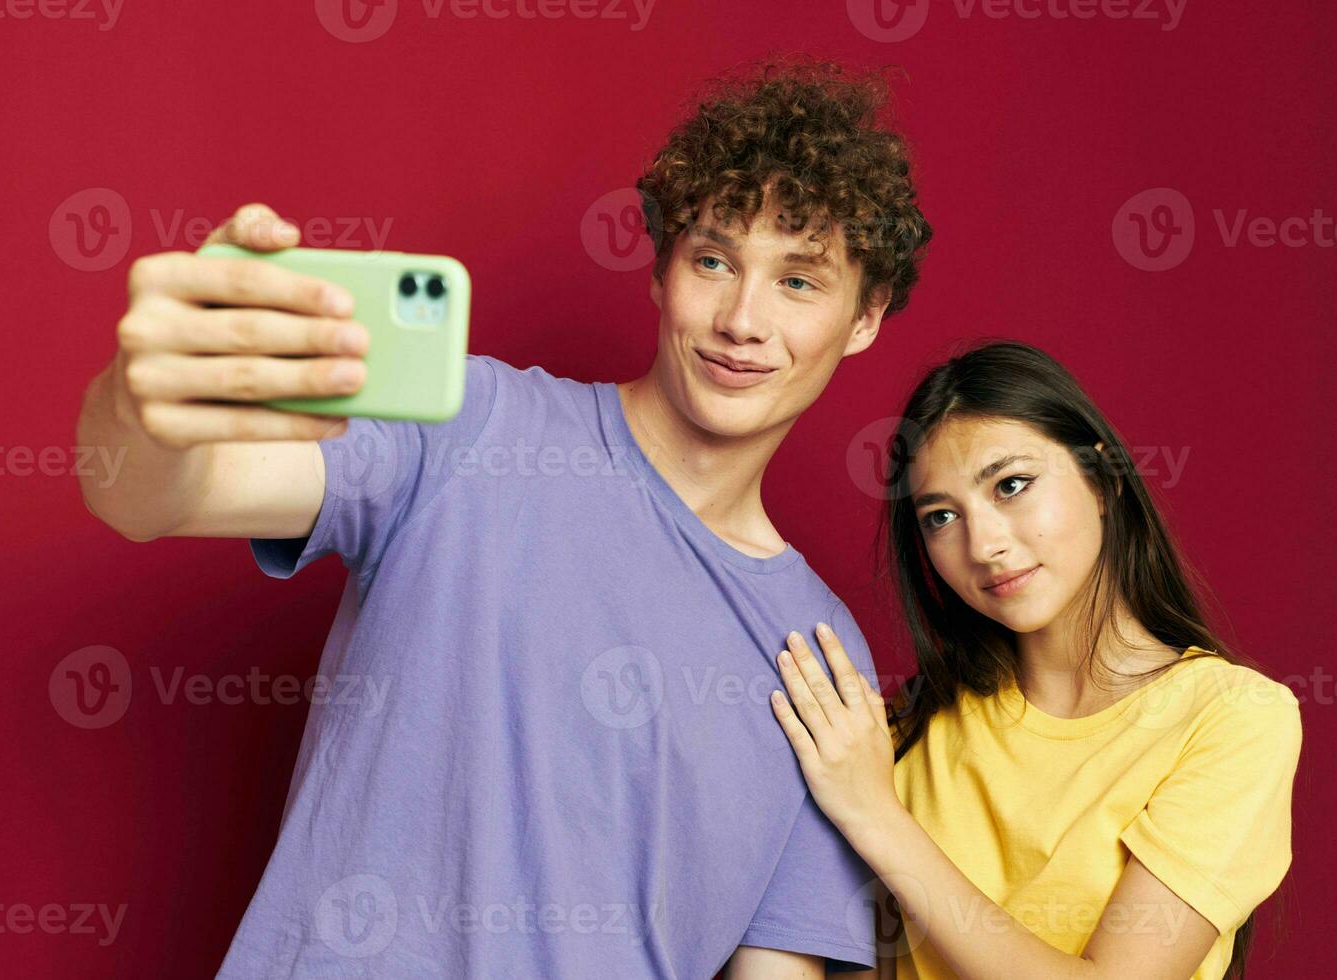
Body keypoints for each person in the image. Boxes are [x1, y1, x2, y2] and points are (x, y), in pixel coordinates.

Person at [75, 55, 934, 977]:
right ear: (661, 273)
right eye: (714, 260)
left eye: (799, 282)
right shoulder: (470, 425)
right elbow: (150, 494)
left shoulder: (820, 652)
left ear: (866, 317)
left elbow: (777, 966)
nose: (742, 319)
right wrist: (146, 401)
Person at [766, 341, 1302, 980]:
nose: (985, 543)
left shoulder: (1234, 717)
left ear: (1101, 482)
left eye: (1011, 485)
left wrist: (876, 815)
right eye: (941, 517)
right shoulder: (898, 733)